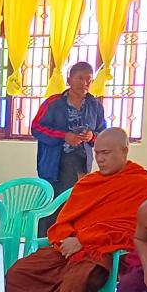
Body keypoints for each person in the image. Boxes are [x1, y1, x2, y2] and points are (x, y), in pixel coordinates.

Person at [4, 128, 147, 292]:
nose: (100, 159)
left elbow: (132, 229)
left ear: (124, 151)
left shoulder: (141, 183)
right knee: (19, 273)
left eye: (106, 153)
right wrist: (66, 239)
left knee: (81, 279)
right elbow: (63, 221)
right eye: (97, 153)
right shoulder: (88, 183)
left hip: (103, 252)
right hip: (68, 249)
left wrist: (83, 240)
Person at [33, 61, 107, 194]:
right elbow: (36, 128)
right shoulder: (53, 103)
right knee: (55, 204)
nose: (84, 83)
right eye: (80, 78)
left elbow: (103, 135)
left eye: (89, 80)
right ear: (69, 80)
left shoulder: (95, 105)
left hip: (82, 165)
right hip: (55, 165)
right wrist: (64, 136)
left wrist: (92, 136)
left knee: (77, 199)